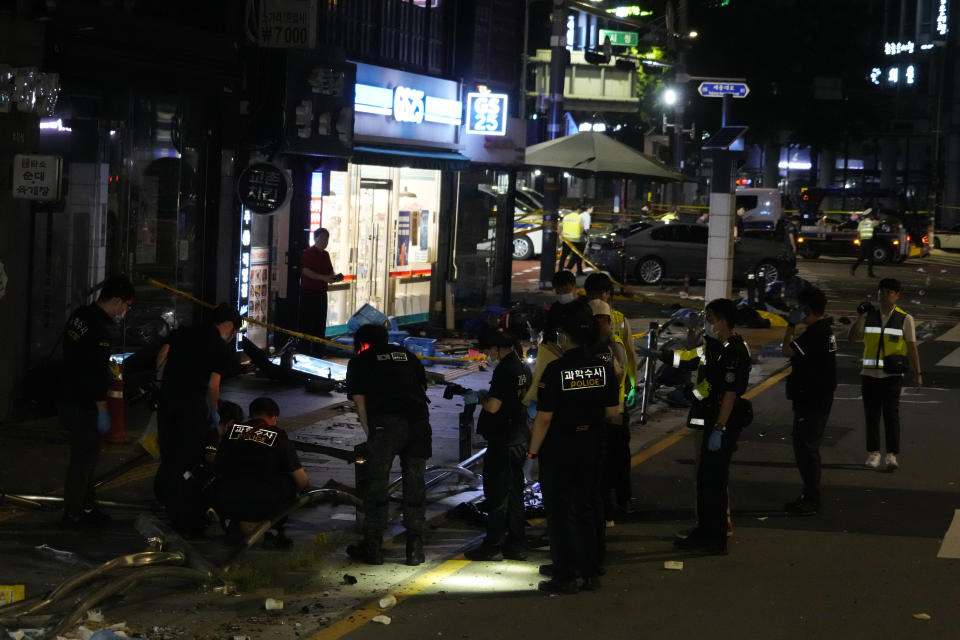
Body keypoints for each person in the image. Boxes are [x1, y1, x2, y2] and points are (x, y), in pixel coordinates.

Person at [639, 298, 752, 554]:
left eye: (710, 319)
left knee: (713, 482)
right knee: (705, 480)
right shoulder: (713, 347)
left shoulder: (734, 350)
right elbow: (689, 360)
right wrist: (661, 355)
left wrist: (720, 428)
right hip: (709, 418)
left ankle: (715, 538)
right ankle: (705, 531)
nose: (707, 324)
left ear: (722, 320)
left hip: (720, 424)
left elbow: (730, 393)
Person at [528, 301, 620, 594]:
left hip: (560, 448)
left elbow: (544, 418)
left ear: (565, 337)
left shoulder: (556, 369)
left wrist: (531, 454)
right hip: (593, 443)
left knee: (559, 512)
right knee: (587, 506)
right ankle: (590, 571)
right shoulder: (603, 367)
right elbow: (612, 412)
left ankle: (564, 574)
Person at [345, 323, 432, 566]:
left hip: (386, 425)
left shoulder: (361, 360)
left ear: (362, 342)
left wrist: (371, 433)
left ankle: (373, 548)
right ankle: (414, 548)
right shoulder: (410, 357)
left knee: (377, 486)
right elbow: (421, 390)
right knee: (415, 485)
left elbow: (360, 404)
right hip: (419, 423)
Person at [154, 302, 240, 536]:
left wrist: (160, 383)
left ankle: (168, 505)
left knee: (169, 458)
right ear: (230, 327)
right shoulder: (219, 348)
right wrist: (213, 412)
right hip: (191, 410)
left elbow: (162, 354)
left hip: (167, 404)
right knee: (188, 463)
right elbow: (213, 386)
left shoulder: (183, 332)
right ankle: (186, 517)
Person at [60, 275, 135, 529]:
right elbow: (94, 374)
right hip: (84, 403)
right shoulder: (100, 330)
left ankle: (86, 506)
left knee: (86, 459)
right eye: (126, 304)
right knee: (84, 461)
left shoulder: (80, 315)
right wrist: (102, 409)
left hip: (68, 394)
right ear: (116, 301)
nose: (125, 310)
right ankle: (73, 514)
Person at [463, 327, 532, 561]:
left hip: (503, 440)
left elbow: (494, 406)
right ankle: (516, 543)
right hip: (520, 438)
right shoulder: (523, 368)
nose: (487, 356)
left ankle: (492, 545)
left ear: (496, 348)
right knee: (515, 494)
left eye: (487, 351)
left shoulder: (505, 369)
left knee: (496, 496)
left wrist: (479, 397)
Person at [210, 397, 310, 549]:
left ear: (251, 415)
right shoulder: (278, 435)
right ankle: (273, 531)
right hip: (265, 502)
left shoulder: (232, 431)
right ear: (274, 417)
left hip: (231, 499)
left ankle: (232, 526)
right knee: (290, 481)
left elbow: (217, 466)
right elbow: (302, 481)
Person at [847, 278, 922, 471]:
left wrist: (917, 373)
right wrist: (860, 317)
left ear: (897, 296)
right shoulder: (869, 315)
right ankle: (873, 453)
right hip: (869, 374)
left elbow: (912, 347)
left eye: (889, 292)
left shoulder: (905, 319)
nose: (884, 295)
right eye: (881, 292)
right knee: (871, 416)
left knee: (891, 416)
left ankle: (891, 454)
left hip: (892, 376)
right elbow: (852, 337)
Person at [781, 286, 837, 514]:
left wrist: (790, 325)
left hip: (811, 400)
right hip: (818, 398)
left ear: (807, 309)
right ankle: (808, 496)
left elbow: (787, 350)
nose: (797, 311)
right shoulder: (827, 331)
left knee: (806, 450)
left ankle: (811, 499)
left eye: (800, 308)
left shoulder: (816, 334)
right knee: (807, 448)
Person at [588, 299, 630, 525]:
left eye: (600, 321)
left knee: (608, 466)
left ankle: (610, 510)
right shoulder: (592, 346)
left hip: (611, 415)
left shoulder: (612, 346)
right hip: (603, 413)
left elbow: (618, 376)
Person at [523, 270, 577, 413]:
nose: (562, 293)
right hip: (555, 355)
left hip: (575, 358)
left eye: (565, 289)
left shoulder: (582, 308)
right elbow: (548, 334)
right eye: (558, 291)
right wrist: (540, 349)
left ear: (573, 286)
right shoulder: (556, 308)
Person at [584, 273, 638, 409]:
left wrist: (633, 385)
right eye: (592, 295)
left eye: (599, 294)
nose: (596, 299)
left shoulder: (620, 320)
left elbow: (630, 354)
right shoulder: (581, 320)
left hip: (616, 396)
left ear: (608, 294)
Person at [300, 228, 344, 353]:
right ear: (315, 239)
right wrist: (323, 277)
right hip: (309, 294)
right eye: (322, 238)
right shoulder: (308, 253)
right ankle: (306, 351)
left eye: (327, 239)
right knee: (308, 324)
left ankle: (318, 351)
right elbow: (305, 271)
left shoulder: (325, 255)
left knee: (320, 324)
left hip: (321, 294)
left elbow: (330, 271)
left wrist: (334, 277)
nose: (325, 241)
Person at [558, 204, 591, 275]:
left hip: (566, 240)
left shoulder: (566, 217)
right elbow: (582, 229)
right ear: (578, 210)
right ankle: (579, 271)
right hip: (576, 240)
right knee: (578, 256)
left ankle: (560, 270)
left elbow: (561, 226)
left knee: (563, 256)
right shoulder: (579, 218)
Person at [851, 208, 877, 277]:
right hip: (869, 241)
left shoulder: (861, 223)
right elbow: (877, 223)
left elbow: (858, 233)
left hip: (863, 242)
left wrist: (859, 241)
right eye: (871, 215)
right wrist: (877, 219)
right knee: (870, 258)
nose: (873, 216)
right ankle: (870, 273)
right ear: (869, 215)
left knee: (861, 257)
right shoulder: (871, 222)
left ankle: (853, 268)